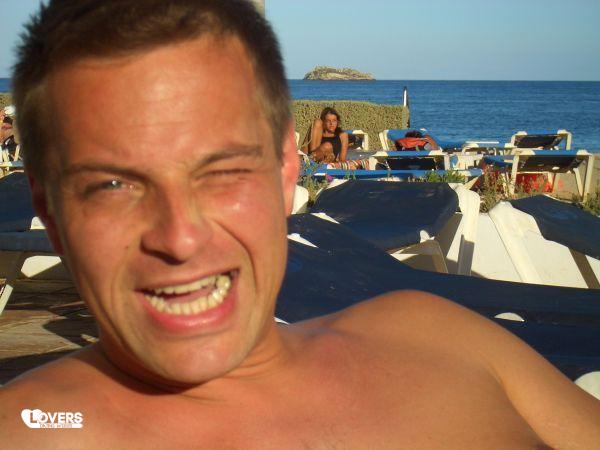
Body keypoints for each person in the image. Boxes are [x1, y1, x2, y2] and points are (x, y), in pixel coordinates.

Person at [0, 0, 598, 447]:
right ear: (50, 213)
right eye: (112, 186)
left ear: (287, 167)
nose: (180, 239)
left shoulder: (438, 333)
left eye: (223, 171)